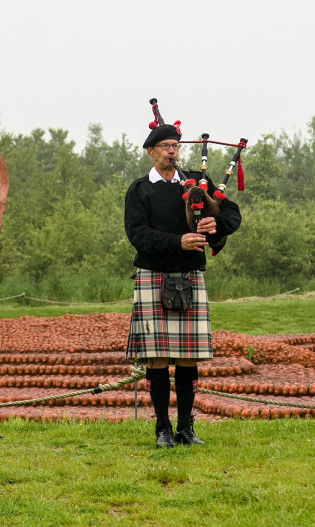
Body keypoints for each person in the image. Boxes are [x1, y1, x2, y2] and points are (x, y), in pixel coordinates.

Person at [124, 121, 241, 448]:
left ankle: (186, 428)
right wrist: (178, 241)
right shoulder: (139, 190)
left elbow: (232, 213)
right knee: (158, 357)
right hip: (153, 274)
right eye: (164, 146)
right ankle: (163, 429)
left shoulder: (195, 183)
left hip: (190, 276)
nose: (171, 151)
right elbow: (137, 235)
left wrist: (214, 222)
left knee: (189, 358)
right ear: (151, 152)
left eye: (175, 145)